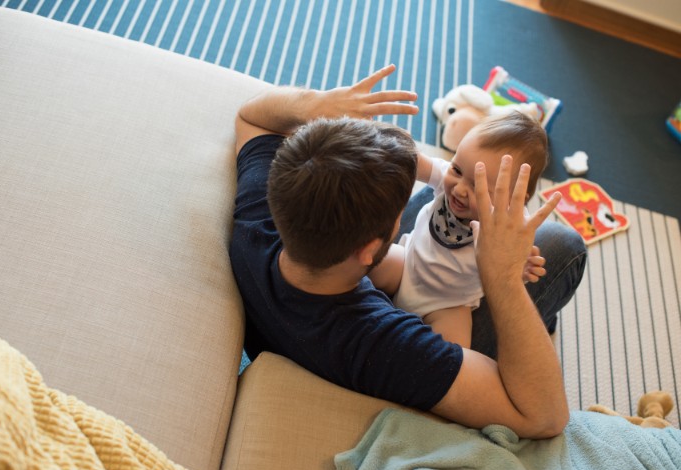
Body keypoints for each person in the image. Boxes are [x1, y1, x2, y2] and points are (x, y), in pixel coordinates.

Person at [230, 64, 587, 438]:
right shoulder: (389, 348)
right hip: (445, 304)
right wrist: (503, 278)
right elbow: (547, 417)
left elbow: (251, 117)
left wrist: (318, 103)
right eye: (398, 212)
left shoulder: (258, 220)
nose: (456, 187)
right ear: (370, 250)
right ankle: (540, 321)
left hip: (364, 278)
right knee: (564, 245)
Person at [372, 111, 550, 348]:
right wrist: (384, 146)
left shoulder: (507, 230)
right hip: (407, 264)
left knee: (454, 354)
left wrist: (521, 268)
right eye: (457, 170)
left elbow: (508, 272)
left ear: (512, 200)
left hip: (448, 304)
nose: (459, 189)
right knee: (363, 262)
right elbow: (415, 161)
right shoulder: (452, 179)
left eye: (478, 187)